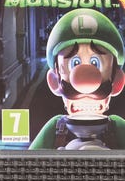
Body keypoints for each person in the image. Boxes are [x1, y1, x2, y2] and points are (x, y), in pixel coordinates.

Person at [29, 9, 125, 150]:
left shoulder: (117, 128)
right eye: (74, 63)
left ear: (116, 81)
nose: (85, 84)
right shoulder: (55, 128)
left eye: (95, 63)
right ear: (54, 81)